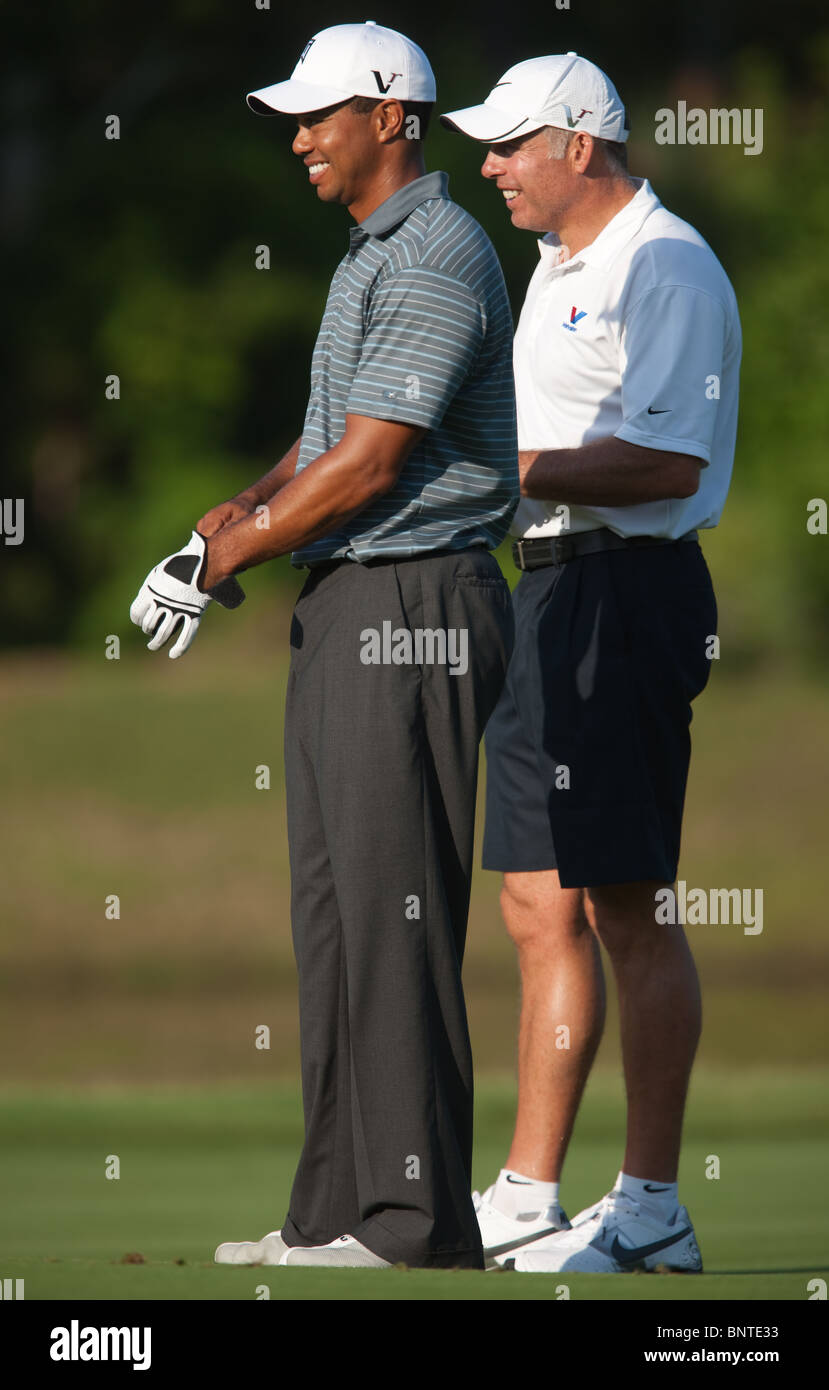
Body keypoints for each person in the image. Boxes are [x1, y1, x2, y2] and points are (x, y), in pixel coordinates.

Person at [130, 21, 518, 1270]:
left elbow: (373, 461)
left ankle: (407, 1224)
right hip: (355, 601)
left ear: (392, 118)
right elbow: (316, 448)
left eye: (321, 114)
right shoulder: (369, 256)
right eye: (295, 117)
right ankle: (332, 1216)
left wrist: (223, 560)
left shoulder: (439, 251)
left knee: (394, 911)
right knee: (339, 916)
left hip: (417, 605)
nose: (299, 136)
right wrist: (236, 513)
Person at [440, 52, 741, 1273]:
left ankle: (654, 1205)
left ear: (576, 142)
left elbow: (666, 466)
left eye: (509, 146)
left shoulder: (662, 262)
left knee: (625, 901)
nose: (491, 166)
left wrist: (510, 472)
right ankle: (524, 1191)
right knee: (530, 896)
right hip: (553, 590)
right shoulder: (556, 262)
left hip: (629, 589)